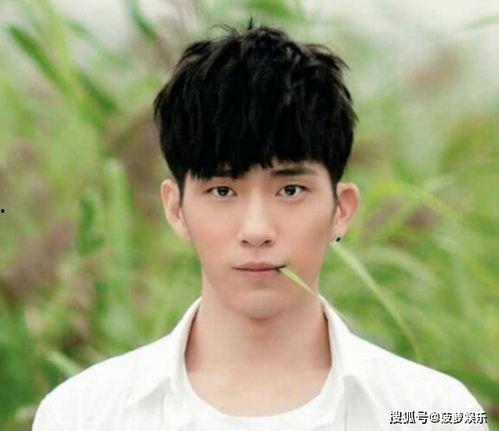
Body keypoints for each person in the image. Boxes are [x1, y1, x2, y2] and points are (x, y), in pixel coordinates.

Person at [32, 19, 489, 431]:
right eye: (222, 191)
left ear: (342, 209)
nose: (256, 230)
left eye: (290, 190)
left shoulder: (434, 411)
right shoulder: (84, 415)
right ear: (176, 209)